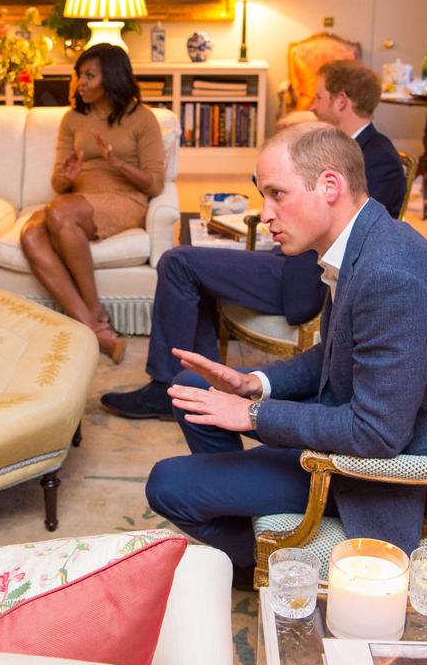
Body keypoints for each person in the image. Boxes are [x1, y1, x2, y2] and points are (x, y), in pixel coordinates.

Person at [144, 122, 427, 587]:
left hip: (380, 474)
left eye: (277, 194)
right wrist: (254, 383)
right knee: (188, 388)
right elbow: (336, 352)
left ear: (329, 186)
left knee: (167, 485)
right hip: (355, 417)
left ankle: (262, 562)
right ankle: (256, 522)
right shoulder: (364, 241)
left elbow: (376, 434)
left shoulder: (390, 276)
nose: (266, 214)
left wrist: (254, 414)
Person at [102, 60, 405, 419]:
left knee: (178, 261)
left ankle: (167, 389)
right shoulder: (337, 144)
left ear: (342, 101)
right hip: (289, 258)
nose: (313, 103)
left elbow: (356, 240)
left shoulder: (378, 158)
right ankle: (197, 384)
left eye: (320, 96)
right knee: (193, 257)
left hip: (305, 274)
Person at [20, 43, 166, 363]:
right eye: (78, 75)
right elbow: (58, 184)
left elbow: (155, 184)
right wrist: (68, 176)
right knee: (30, 234)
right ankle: (93, 327)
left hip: (124, 198)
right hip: (76, 199)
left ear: (111, 77)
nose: (79, 83)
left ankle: (95, 311)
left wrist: (119, 165)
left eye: (89, 75)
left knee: (58, 212)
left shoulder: (143, 119)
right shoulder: (73, 119)